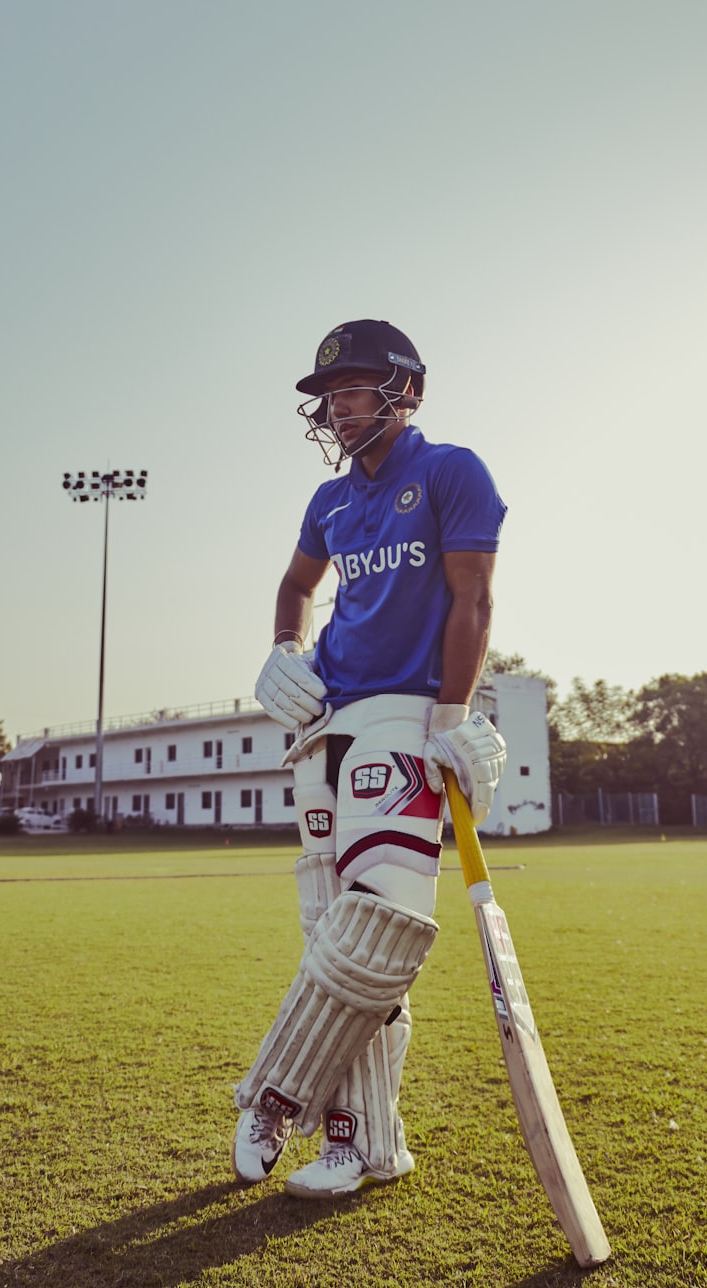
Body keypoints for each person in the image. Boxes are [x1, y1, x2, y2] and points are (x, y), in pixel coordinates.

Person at [232, 318, 507, 1200]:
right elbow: (296, 585)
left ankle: (285, 1099)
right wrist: (286, 645)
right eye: (329, 396)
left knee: (376, 934)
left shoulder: (452, 471)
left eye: (352, 389)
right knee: (331, 929)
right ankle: (371, 1143)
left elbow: (474, 598)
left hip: (406, 715)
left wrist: (452, 714)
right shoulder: (329, 501)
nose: (338, 409)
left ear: (405, 389)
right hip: (326, 718)